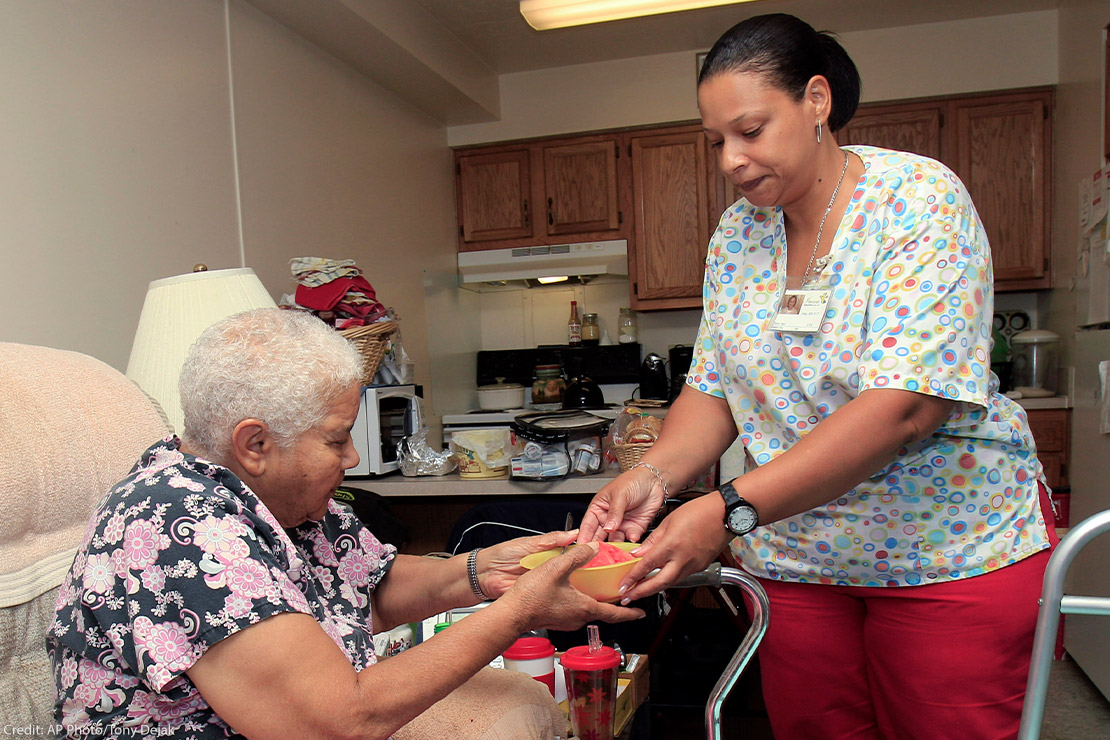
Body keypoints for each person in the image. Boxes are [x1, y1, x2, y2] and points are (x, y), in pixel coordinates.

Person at [578, 13, 1057, 740]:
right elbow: (713, 389)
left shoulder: (917, 200)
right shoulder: (737, 234)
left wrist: (727, 511)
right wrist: (654, 477)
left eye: (751, 129)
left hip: (944, 554)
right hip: (798, 562)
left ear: (816, 102)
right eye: (717, 142)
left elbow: (903, 409)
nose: (732, 160)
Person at [48, 308, 642, 739]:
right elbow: (339, 722)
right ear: (255, 443)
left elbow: (371, 585)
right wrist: (519, 613)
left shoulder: (280, 497)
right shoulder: (180, 526)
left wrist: (488, 572)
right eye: (336, 440)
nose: (353, 459)